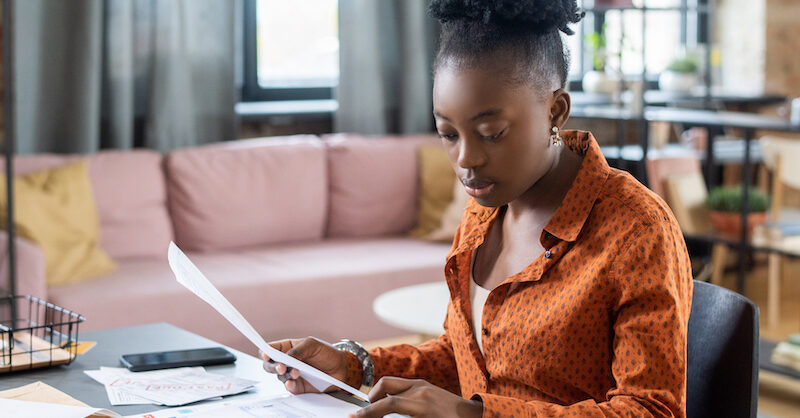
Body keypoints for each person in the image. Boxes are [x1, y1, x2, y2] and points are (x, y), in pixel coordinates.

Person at [262, 0, 693, 416]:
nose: (466, 159)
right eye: (448, 134)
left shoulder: (637, 230)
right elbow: (466, 360)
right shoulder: (485, 209)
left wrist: (474, 416)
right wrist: (353, 366)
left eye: (491, 132)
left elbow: (651, 411)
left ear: (555, 112)